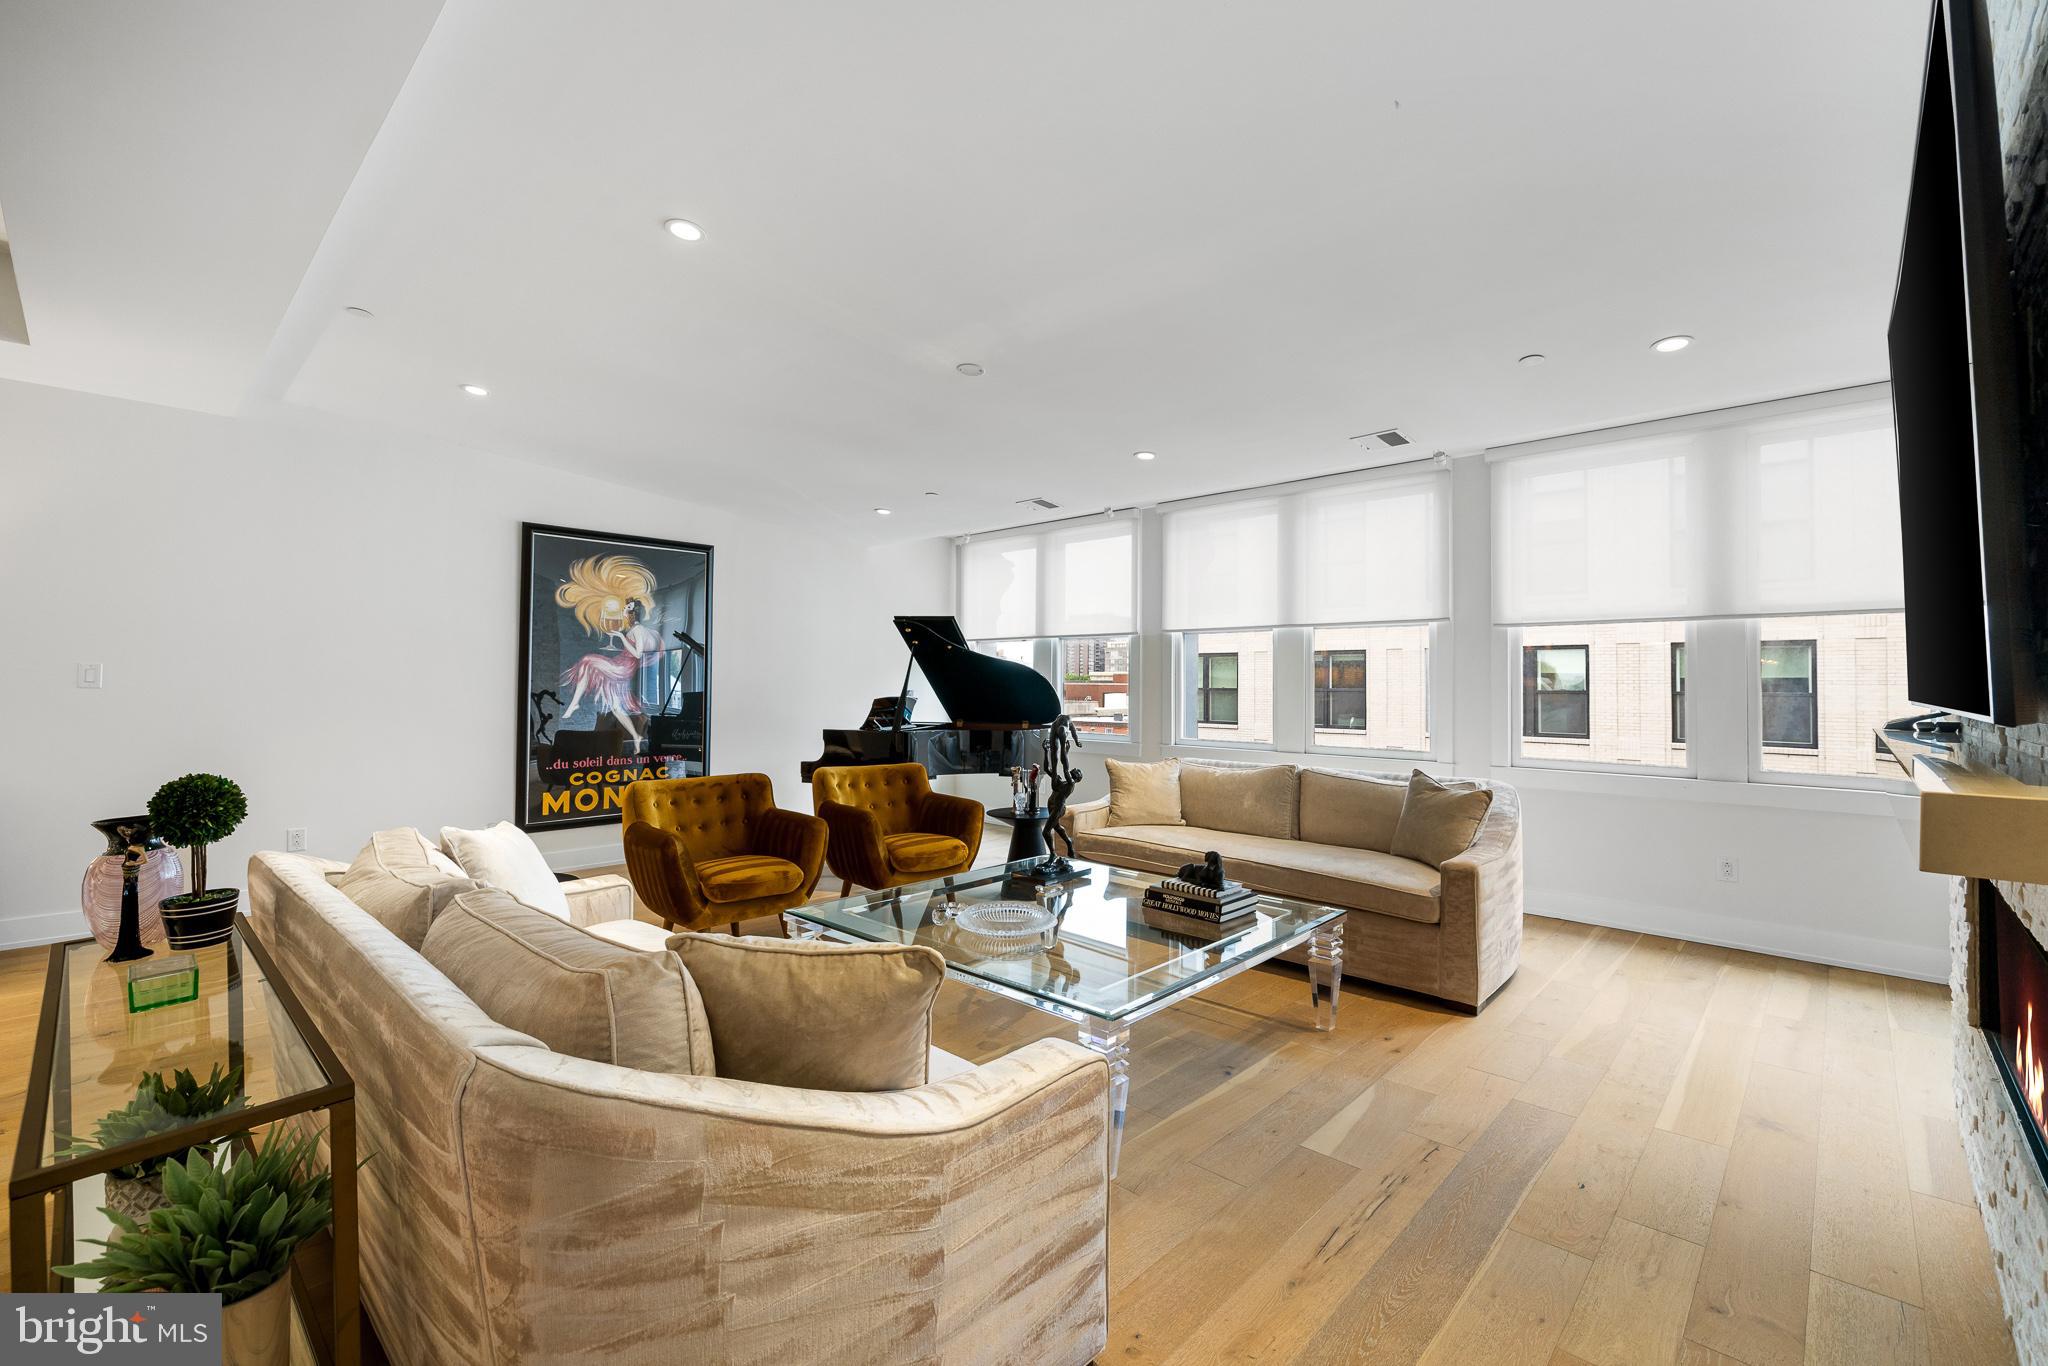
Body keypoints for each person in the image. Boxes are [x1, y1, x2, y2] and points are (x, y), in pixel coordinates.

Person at [554, 554, 662, 751]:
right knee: (616, 707)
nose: (624, 610)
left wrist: (620, 639)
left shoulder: (637, 630)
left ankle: (575, 704)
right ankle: (637, 737)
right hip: (621, 663)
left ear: (634, 612)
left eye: (627, 608)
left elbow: (637, 655)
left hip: (624, 666)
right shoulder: (631, 629)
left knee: (588, 660)